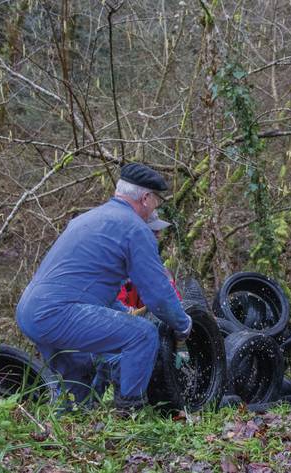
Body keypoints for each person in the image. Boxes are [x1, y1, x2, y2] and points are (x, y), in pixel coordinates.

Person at [16, 163, 192, 412]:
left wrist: (122, 313)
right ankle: (129, 412)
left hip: (30, 311)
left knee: (79, 383)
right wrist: (183, 324)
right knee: (143, 334)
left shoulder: (88, 218)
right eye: (156, 202)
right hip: (59, 312)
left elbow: (92, 286)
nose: (156, 208)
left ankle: (71, 422)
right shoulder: (135, 229)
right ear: (145, 198)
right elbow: (159, 295)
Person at [116, 210, 182, 310]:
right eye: (154, 231)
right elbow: (115, 306)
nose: (159, 235)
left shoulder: (151, 261)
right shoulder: (116, 261)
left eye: (159, 231)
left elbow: (174, 302)